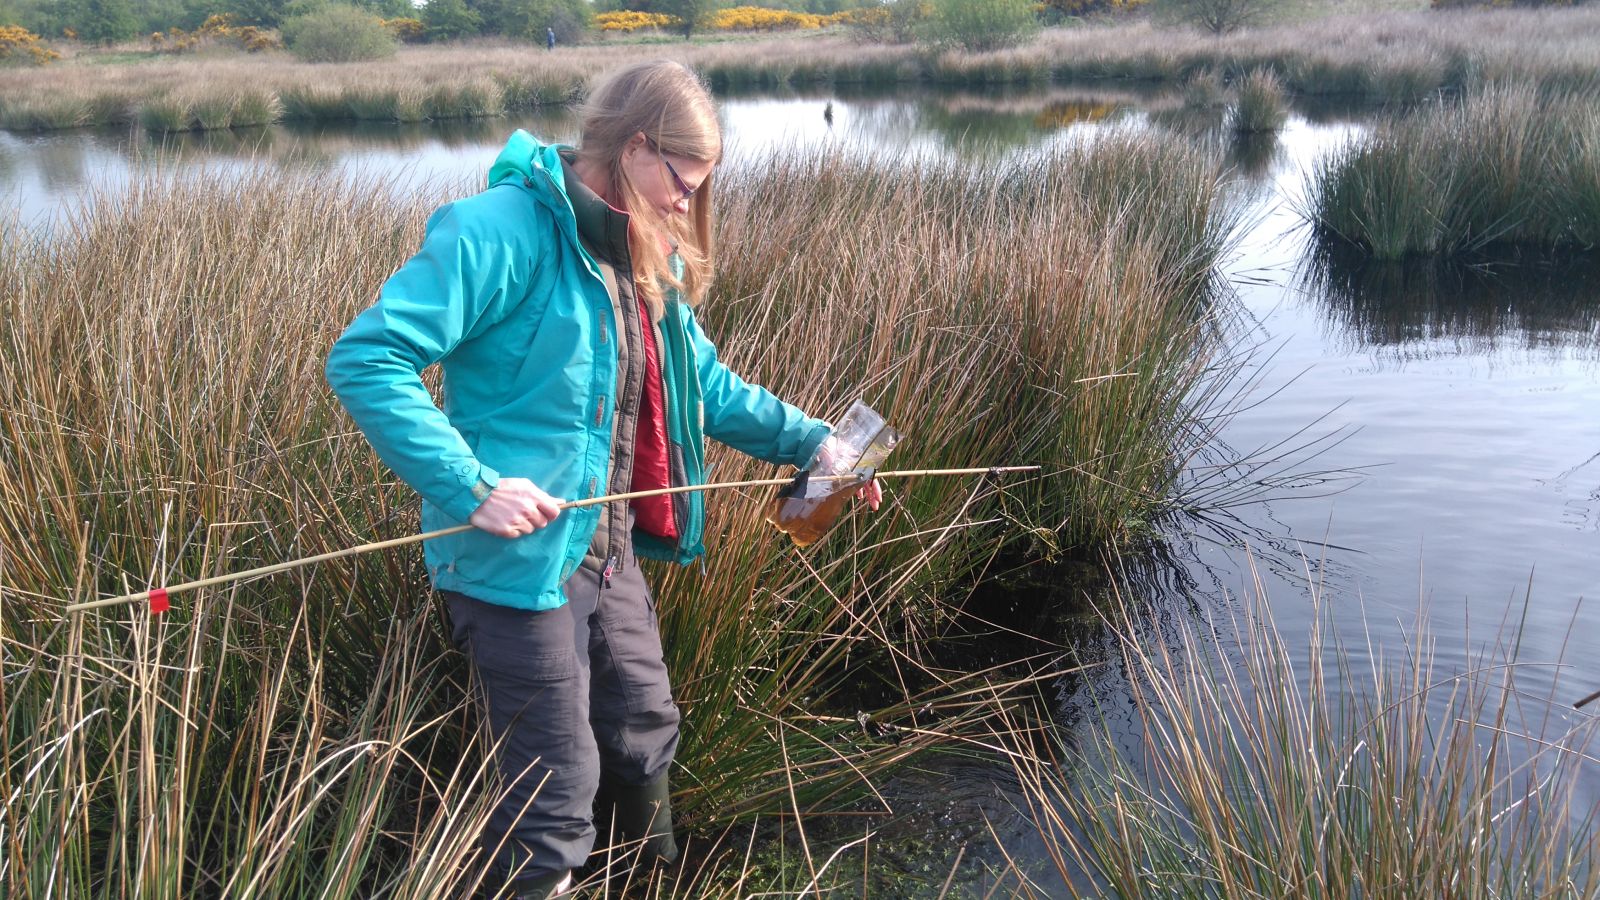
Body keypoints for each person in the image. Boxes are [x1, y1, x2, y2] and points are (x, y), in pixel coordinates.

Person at [325, 60, 879, 900]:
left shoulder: (640, 252)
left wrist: (818, 447)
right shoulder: (495, 232)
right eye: (685, 182)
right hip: (513, 571)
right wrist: (474, 486)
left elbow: (708, 389)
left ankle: (648, 880)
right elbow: (367, 358)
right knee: (554, 799)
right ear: (637, 147)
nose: (689, 204)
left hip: (606, 552)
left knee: (643, 729)